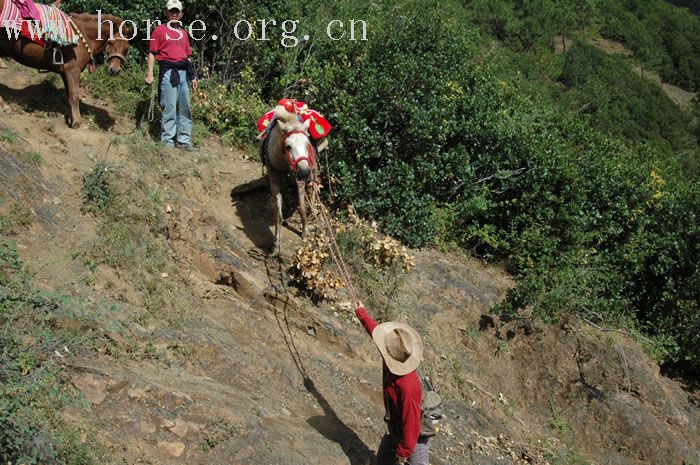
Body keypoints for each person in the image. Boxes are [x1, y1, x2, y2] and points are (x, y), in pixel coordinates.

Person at [354, 301, 431, 465]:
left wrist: (403, 453)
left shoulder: (408, 387)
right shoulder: (395, 354)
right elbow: (376, 331)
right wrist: (362, 312)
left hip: (413, 441)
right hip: (395, 430)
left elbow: (412, 427)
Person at [144, 0, 198, 151]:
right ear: (166, 13)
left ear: (181, 14)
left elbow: (187, 57)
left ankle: (183, 141)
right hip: (168, 72)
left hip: (183, 73)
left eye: (177, 11)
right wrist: (150, 74)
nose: (174, 14)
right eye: (171, 11)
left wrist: (192, 76)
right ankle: (167, 142)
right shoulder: (159, 31)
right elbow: (152, 53)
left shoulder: (184, 33)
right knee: (169, 107)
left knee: (185, 107)